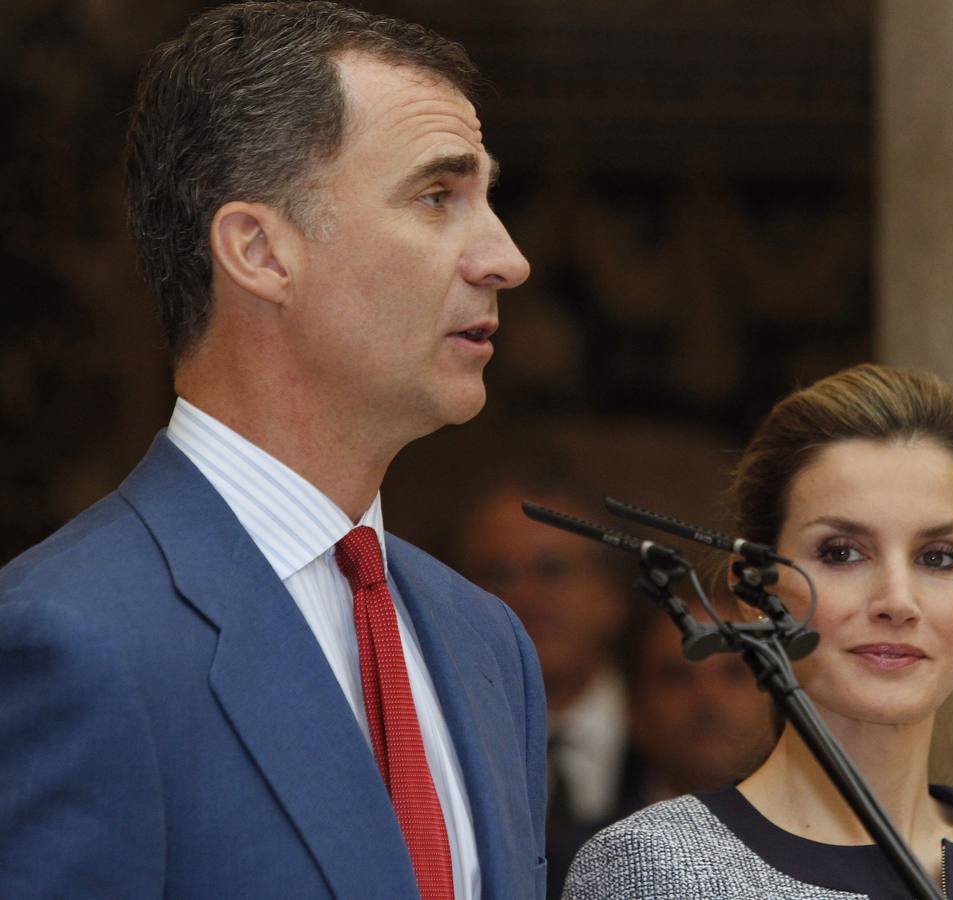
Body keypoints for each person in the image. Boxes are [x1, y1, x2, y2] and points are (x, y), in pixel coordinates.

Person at [0, 4, 545, 899]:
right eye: (438, 196)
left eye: (488, 198)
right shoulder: (70, 638)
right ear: (259, 250)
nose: (505, 258)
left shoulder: (487, 645)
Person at [564, 364, 953, 897]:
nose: (898, 601)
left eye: (940, 557)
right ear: (755, 591)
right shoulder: (656, 870)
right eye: (842, 552)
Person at [455, 473, 631, 899]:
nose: (524, 597)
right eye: (497, 573)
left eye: (551, 570)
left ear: (611, 592)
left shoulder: (677, 721)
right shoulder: (440, 745)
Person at [623, 597, 778, 809]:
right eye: (678, 676)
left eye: (734, 672)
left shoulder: (830, 835)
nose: (708, 698)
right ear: (634, 707)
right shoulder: (591, 842)